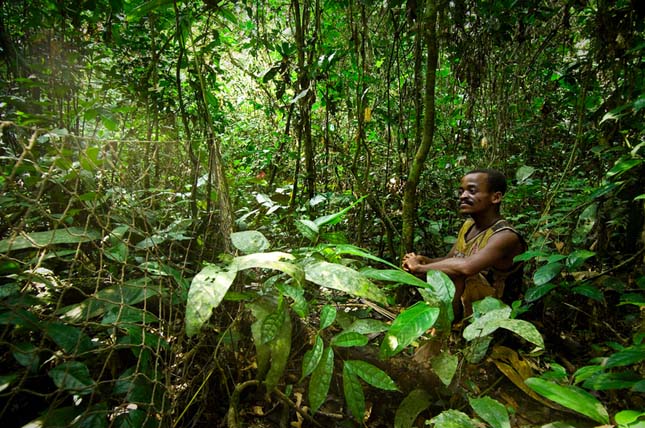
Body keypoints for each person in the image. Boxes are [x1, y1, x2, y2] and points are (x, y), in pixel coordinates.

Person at [402, 168, 526, 320]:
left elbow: (467, 267)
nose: (463, 196)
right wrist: (425, 261)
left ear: (496, 197)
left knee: (458, 273)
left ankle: (444, 331)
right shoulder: (468, 226)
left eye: (472, 191)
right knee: (446, 270)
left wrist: (421, 268)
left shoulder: (505, 236)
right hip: (469, 303)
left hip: (497, 312)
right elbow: (451, 258)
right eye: (461, 191)